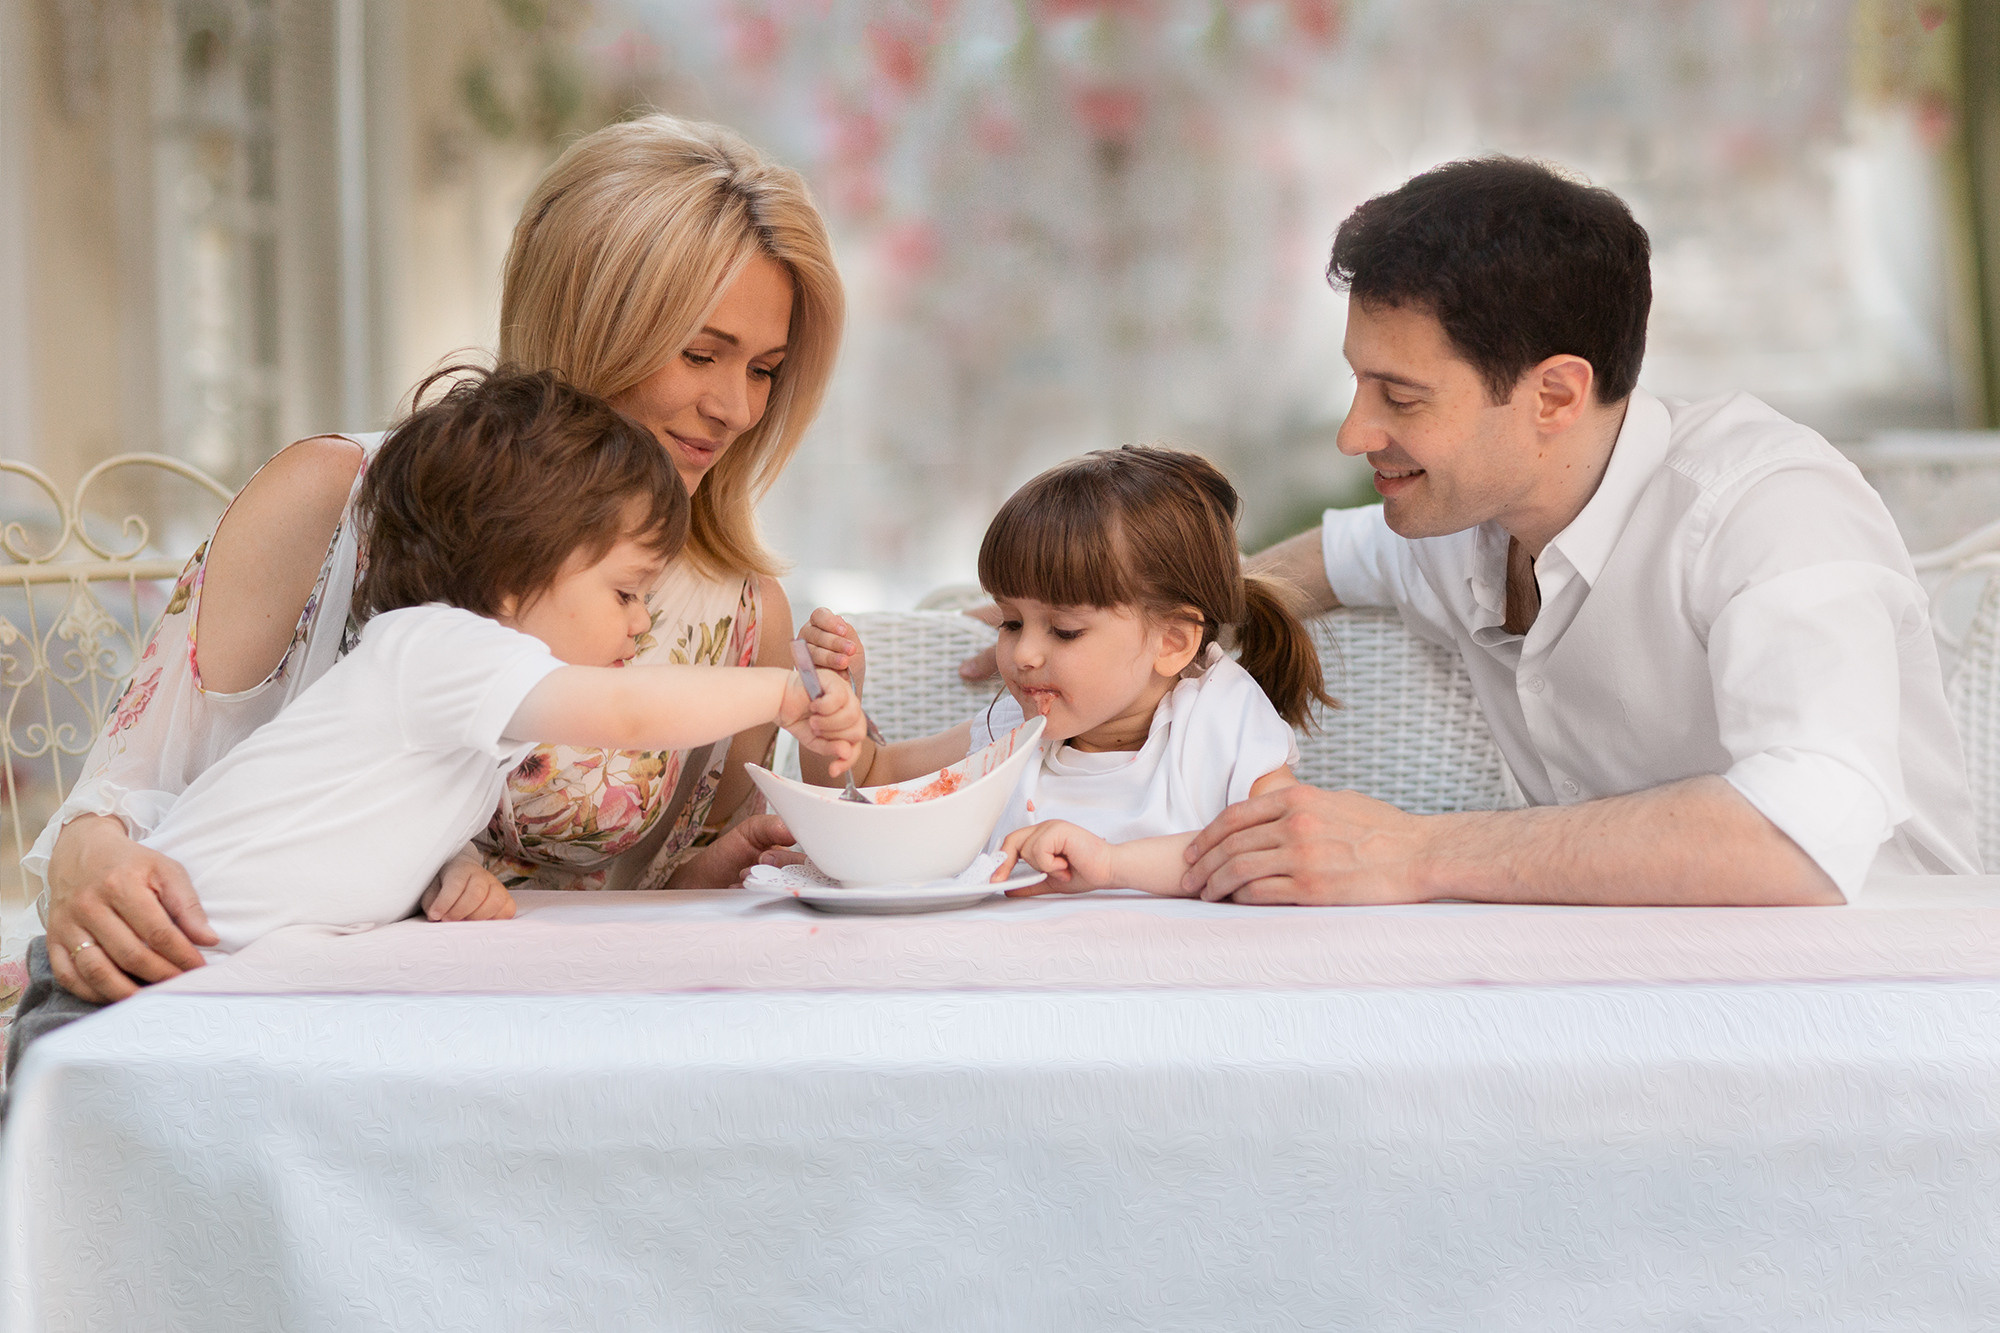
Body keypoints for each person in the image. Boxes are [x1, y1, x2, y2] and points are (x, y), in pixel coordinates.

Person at [945, 156, 1979, 906]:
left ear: (1553, 394)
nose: (1357, 432)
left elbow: (1799, 835)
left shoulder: (1768, 509)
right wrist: (1097, 636)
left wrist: (1414, 854)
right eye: (1356, 384)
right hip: (1623, 991)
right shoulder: (1458, 524)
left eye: (1398, 395)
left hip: (1886, 1009)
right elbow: (1299, 569)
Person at [27, 115, 846, 1006]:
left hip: (529, 1037)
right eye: (699, 353)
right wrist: (89, 870)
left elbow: (648, 917)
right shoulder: (339, 496)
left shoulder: (740, 611)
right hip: (255, 999)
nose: (734, 407)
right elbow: (116, 802)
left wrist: (738, 854)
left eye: (765, 368)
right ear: (588, 320)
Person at [5, 370, 865, 1082]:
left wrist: (444, 869)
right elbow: (631, 713)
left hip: (194, 985)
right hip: (116, 985)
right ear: (512, 574)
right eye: (625, 593)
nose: (641, 627)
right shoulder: (447, 648)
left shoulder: (450, 692)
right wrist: (782, 695)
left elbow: (372, 812)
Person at [819, 447, 1331, 894]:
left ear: (1172, 641)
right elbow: (866, 780)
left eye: (1064, 631)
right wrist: (837, 700)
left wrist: (1111, 865)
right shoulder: (1011, 736)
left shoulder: (1219, 720)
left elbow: (1287, 849)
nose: (1023, 655)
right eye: (1012, 622)